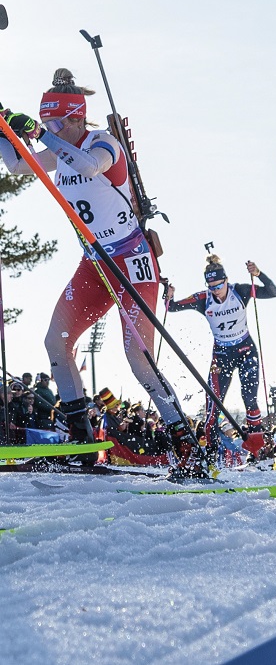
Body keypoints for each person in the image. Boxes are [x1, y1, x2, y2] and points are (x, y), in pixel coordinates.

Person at [0, 70, 204, 475]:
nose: (53, 131)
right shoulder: (59, 149)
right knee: (56, 343)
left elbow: (92, 168)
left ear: (77, 119)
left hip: (131, 260)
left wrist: (42, 134)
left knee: (137, 357)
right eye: (50, 125)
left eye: (57, 123)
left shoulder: (100, 143)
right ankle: (81, 440)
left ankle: (184, 441)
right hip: (94, 264)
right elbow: (18, 167)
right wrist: (4, 129)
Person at [165, 254, 276, 456]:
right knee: (214, 404)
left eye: (218, 286)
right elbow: (171, 308)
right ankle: (209, 451)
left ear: (226, 281)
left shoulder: (241, 290)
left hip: (245, 350)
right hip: (222, 355)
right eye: (211, 287)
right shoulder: (203, 298)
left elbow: (273, 292)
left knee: (249, 397)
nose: (216, 291)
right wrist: (169, 295)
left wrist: (258, 274)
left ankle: (256, 446)